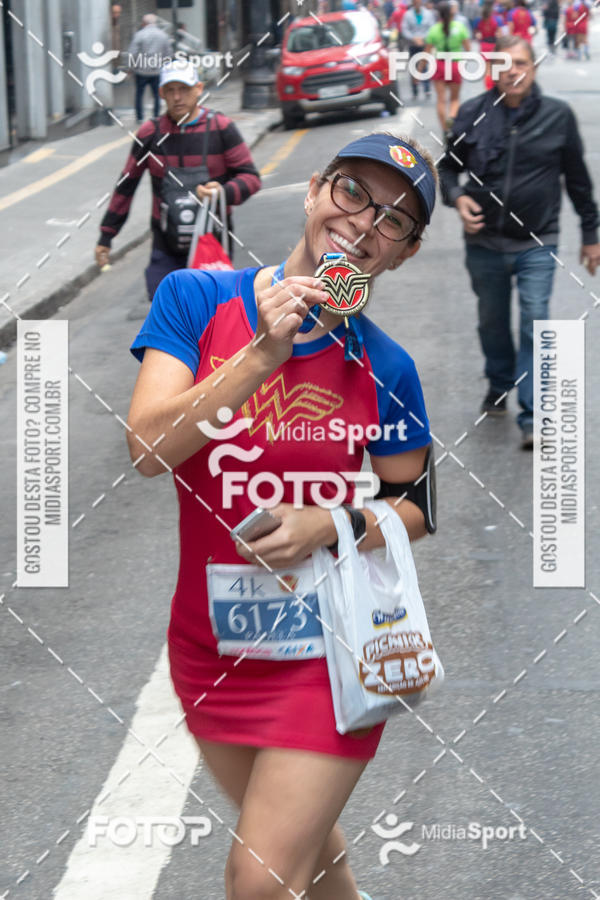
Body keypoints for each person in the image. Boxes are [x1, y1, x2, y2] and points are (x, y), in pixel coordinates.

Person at [126, 131, 438, 900]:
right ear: (312, 192)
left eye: (393, 220)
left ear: (404, 253)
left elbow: (419, 505)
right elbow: (146, 449)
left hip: (332, 655)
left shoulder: (385, 365)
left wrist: (328, 525)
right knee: (311, 858)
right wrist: (262, 356)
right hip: (211, 649)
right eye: (352, 192)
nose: (365, 222)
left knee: (260, 880)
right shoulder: (196, 300)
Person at [438, 36, 600, 448]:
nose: (514, 71)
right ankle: (498, 380)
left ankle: (533, 414)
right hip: (484, 243)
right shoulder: (472, 114)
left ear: (535, 68)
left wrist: (590, 235)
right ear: (492, 71)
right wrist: (458, 200)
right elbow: (445, 172)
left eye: (522, 63)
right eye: (505, 64)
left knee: (534, 321)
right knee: (492, 321)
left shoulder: (557, 116)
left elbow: (578, 181)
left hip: (537, 241)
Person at [95, 61, 261, 301]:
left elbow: (251, 178)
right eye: (170, 90)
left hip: (212, 241)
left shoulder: (221, 128)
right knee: (165, 309)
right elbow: (126, 185)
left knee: (210, 314)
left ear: (198, 89)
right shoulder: (150, 134)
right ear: (161, 93)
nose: (177, 97)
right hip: (166, 243)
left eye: (183, 89)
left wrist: (223, 191)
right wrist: (106, 235)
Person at [425, 1, 471, 133]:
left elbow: (427, 52)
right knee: (455, 98)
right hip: (455, 65)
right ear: (452, 12)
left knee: (441, 99)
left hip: (439, 65)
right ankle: (452, 118)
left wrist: (419, 69)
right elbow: (468, 48)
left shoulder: (434, 30)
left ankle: (444, 129)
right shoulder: (460, 27)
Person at [127, 14, 172, 123]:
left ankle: (139, 117)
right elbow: (169, 54)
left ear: (144, 23)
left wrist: (131, 67)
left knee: (139, 94)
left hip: (141, 70)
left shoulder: (139, 35)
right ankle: (156, 116)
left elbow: (133, 53)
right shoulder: (163, 35)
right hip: (157, 70)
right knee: (157, 95)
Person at [401, 0, 436, 100]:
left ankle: (427, 88)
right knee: (413, 66)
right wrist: (413, 38)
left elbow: (432, 27)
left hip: (425, 44)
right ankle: (414, 90)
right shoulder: (407, 15)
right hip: (413, 44)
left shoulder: (428, 14)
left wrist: (423, 38)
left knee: (424, 65)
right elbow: (405, 29)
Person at [474, 0, 503, 88]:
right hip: (495, 45)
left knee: (487, 70)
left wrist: (479, 35)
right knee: (496, 69)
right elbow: (500, 35)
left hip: (484, 45)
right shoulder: (497, 19)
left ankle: (488, 89)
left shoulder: (478, 19)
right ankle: (495, 88)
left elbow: (476, 33)